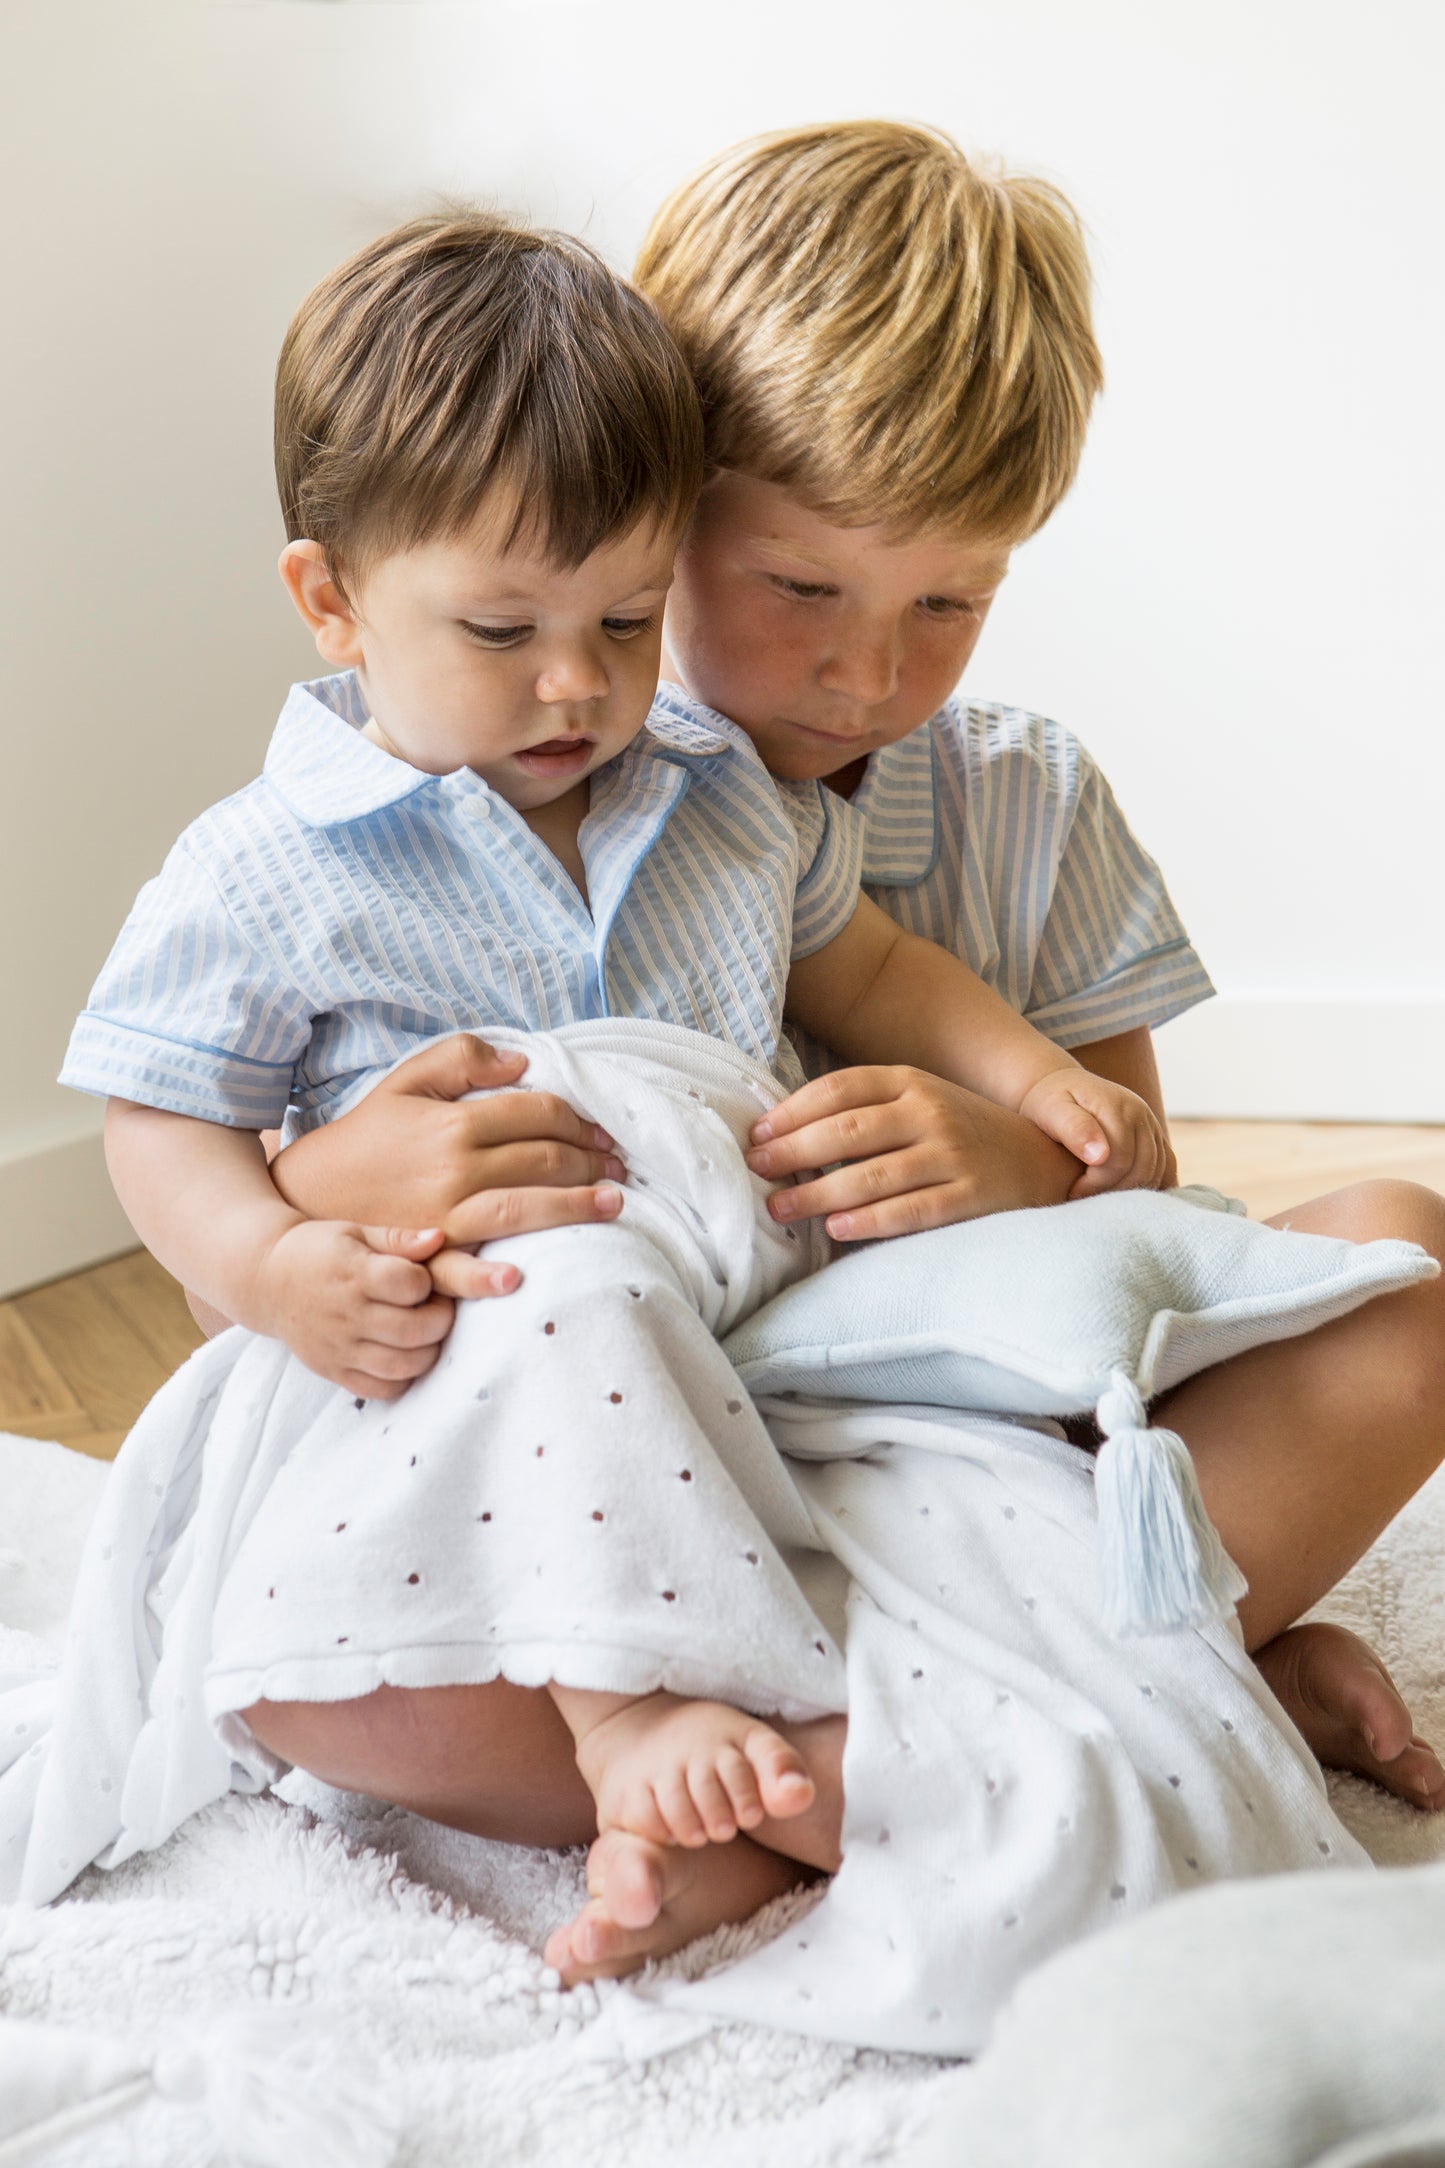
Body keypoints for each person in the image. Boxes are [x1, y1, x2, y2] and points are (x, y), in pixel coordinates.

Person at [258, 128, 1445, 1988]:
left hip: (958, 1475)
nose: (862, 676)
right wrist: (330, 1194)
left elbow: (1154, 1210)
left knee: (1403, 1261)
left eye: (947, 603)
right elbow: (293, 1323)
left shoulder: (1022, 801)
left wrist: (1027, 1156)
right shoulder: (470, 811)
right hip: (623, 1499)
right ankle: (1102, 1706)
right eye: (797, 588)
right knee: (322, 1691)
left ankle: (959, 1728)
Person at [48, 208, 1170, 1895]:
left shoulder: (714, 793)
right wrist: (276, 1253)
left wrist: (1029, 1088)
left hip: (778, 1321)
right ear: (330, 604)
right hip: (509, 1336)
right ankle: (634, 1719)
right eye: (505, 635)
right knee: (569, 1294)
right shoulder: (266, 866)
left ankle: (985, 1706)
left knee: (1139, 1382)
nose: (577, 686)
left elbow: (868, 961)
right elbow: (159, 1122)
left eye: (627, 626)